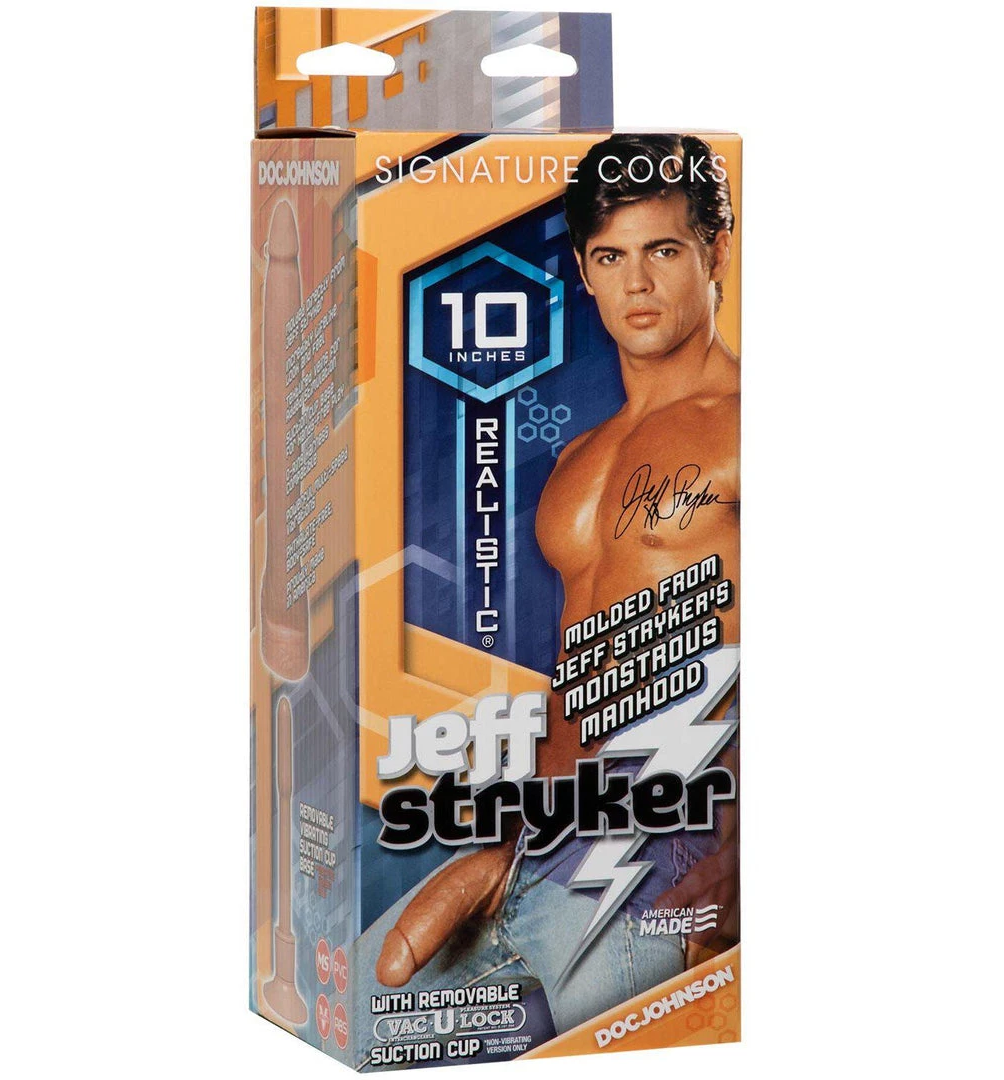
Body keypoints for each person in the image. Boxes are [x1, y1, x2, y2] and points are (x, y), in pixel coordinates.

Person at [354, 134, 740, 1063]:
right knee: (358, 1020)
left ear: (716, 252)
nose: (636, 283)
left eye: (664, 250)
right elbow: (579, 672)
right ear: (584, 270)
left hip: (666, 860)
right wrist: (510, 839)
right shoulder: (578, 460)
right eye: (610, 257)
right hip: (542, 843)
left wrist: (746, 856)